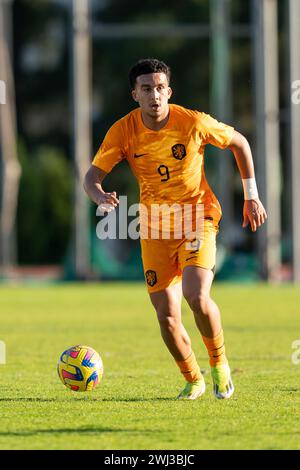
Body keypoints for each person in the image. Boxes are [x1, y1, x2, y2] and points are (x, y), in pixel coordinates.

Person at [84, 58, 267, 400]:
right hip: (154, 227)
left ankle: (220, 364)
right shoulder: (123, 130)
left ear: (169, 91)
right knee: (167, 317)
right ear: (135, 95)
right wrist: (99, 197)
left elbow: (239, 142)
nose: (154, 95)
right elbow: (92, 176)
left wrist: (251, 196)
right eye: (146, 89)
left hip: (198, 217)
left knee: (196, 295)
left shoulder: (193, 122)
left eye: (159, 88)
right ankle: (194, 379)